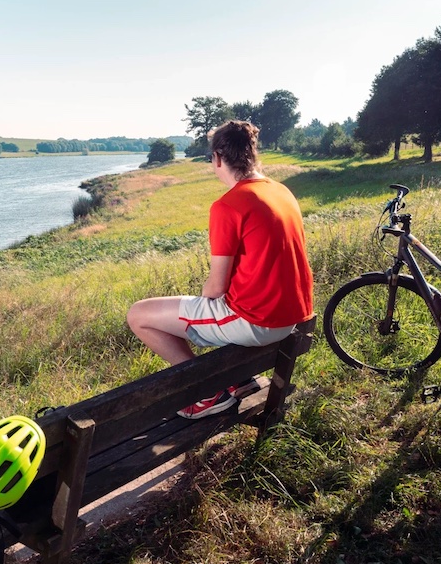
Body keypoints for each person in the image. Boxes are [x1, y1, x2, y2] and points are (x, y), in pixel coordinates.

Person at [127, 120, 314, 419]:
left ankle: (206, 394)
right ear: (252, 153)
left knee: (138, 315)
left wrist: (203, 300)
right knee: (204, 309)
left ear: (216, 158)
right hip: (292, 316)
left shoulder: (229, 205)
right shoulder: (281, 192)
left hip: (258, 321)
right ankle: (238, 379)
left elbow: (215, 289)